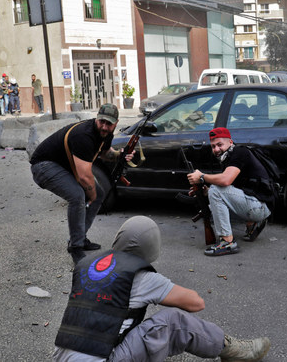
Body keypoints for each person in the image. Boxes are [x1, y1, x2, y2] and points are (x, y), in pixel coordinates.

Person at [52, 216, 271, 361]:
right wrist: (157, 290)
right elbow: (195, 303)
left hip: (61, 356)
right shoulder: (139, 276)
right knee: (173, 321)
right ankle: (232, 350)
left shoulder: (85, 265)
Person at [30, 104, 134, 263]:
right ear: (97, 118)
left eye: (109, 123)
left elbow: (106, 153)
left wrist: (120, 155)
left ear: (116, 123)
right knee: (78, 195)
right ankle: (76, 247)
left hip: (62, 166)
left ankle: (79, 237)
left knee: (98, 194)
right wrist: (91, 195)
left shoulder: (106, 134)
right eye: (102, 122)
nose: (105, 127)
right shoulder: (84, 135)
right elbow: (84, 176)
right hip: (43, 166)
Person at [187, 127, 273, 256]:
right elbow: (231, 189)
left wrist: (201, 177)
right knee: (211, 209)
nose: (216, 149)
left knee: (216, 190)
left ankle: (227, 242)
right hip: (256, 203)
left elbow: (225, 181)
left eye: (220, 144)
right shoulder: (228, 157)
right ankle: (252, 224)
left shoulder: (239, 152)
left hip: (260, 206)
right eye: (213, 146)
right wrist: (205, 191)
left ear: (230, 142)